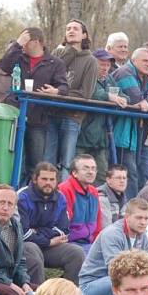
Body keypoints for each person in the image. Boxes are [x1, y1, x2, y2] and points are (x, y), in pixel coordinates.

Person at [0, 27, 68, 180]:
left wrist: (55, 91)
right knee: (9, 158)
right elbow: (3, 66)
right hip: (15, 114)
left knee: (35, 163)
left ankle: (30, 195)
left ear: (36, 42)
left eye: (25, 41)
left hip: (38, 117)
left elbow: (64, 87)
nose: (22, 45)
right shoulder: (18, 56)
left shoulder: (55, 63)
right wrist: (17, 44)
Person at [17, 162, 85, 286]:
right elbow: (23, 233)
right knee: (33, 252)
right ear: (35, 179)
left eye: (52, 179)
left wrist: (39, 232)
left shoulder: (60, 198)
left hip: (50, 246)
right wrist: (48, 240)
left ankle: (66, 294)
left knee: (77, 253)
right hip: (27, 246)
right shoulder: (22, 197)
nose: (48, 182)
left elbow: (63, 231)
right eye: (44, 179)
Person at [48, 19, 98, 181]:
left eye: (76, 28)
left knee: (67, 162)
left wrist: (59, 92)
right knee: (47, 160)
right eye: (68, 28)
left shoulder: (90, 60)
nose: (71, 31)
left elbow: (85, 94)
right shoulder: (57, 54)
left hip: (72, 116)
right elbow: (48, 78)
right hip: (51, 113)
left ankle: (63, 199)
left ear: (84, 34)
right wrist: (69, 52)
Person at [111, 47, 148, 198]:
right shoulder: (125, 72)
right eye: (144, 61)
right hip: (119, 131)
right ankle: (128, 208)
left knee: (132, 173)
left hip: (132, 133)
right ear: (133, 60)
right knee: (127, 174)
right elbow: (134, 97)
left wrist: (145, 101)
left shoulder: (147, 77)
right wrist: (144, 100)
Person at [77, 49, 129, 182]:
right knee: (79, 174)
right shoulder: (86, 74)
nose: (105, 68)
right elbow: (90, 92)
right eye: (101, 64)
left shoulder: (109, 79)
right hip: (82, 135)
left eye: (107, 65)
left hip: (102, 138)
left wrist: (122, 99)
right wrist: (109, 97)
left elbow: (123, 96)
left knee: (101, 176)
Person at [58, 155, 102, 252]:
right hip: (70, 244)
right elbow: (63, 226)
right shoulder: (65, 190)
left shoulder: (94, 192)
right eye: (85, 169)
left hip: (89, 244)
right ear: (74, 173)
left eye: (93, 169)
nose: (91, 172)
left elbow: (98, 225)